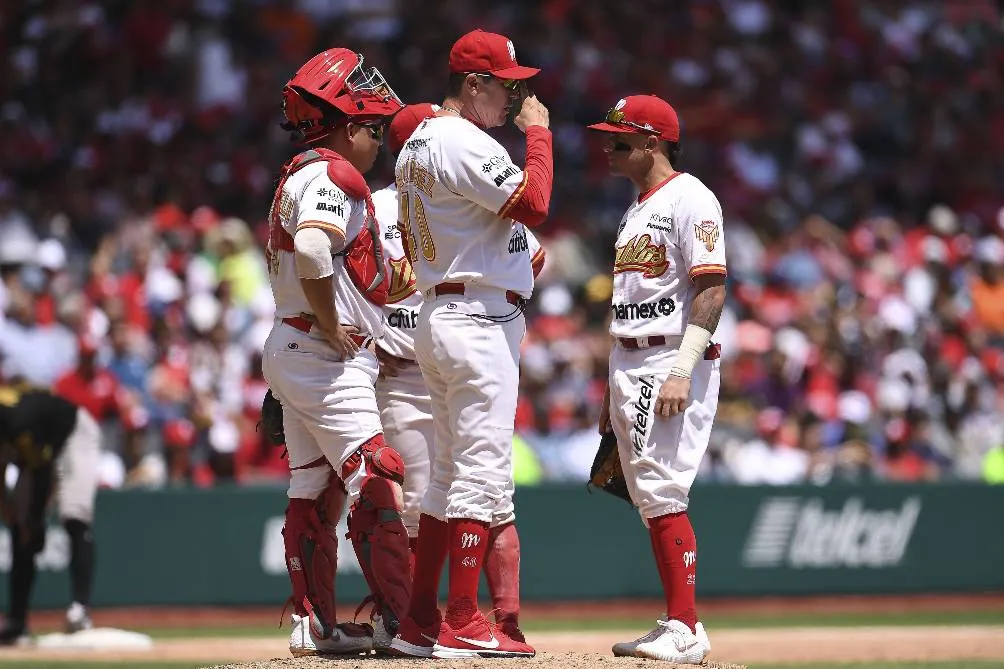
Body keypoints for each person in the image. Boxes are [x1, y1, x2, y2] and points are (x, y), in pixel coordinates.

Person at [389, 29, 552, 659]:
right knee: (480, 475)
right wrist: (539, 134)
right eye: (507, 87)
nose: (514, 100)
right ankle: (461, 617)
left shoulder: (419, 143)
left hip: (441, 310)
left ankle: (420, 618)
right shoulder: (460, 138)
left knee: (446, 479)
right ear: (473, 83)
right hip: (477, 319)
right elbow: (534, 202)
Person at [260, 46, 410, 657]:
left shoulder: (300, 172)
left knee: (313, 486)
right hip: (322, 351)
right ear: (349, 128)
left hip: (291, 344)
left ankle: (314, 624)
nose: (378, 143)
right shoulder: (330, 175)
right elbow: (317, 252)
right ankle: (403, 622)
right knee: (375, 478)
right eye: (372, 130)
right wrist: (331, 325)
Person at [588, 95, 726, 663]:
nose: (608, 149)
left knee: (663, 487)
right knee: (648, 491)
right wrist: (608, 383)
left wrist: (681, 370)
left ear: (652, 142)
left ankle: (686, 627)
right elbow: (629, 299)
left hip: (668, 354)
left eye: (619, 141)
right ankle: (676, 619)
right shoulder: (637, 208)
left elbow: (712, 288)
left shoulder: (693, 198)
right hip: (630, 355)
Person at [0, 382, 102, 644]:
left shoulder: (18, 423)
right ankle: (17, 623)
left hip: (72, 434)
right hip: (33, 446)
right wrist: (10, 510)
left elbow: (42, 472)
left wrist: (33, 521)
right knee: (18, 523)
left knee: (73, 513)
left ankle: (80, 609)